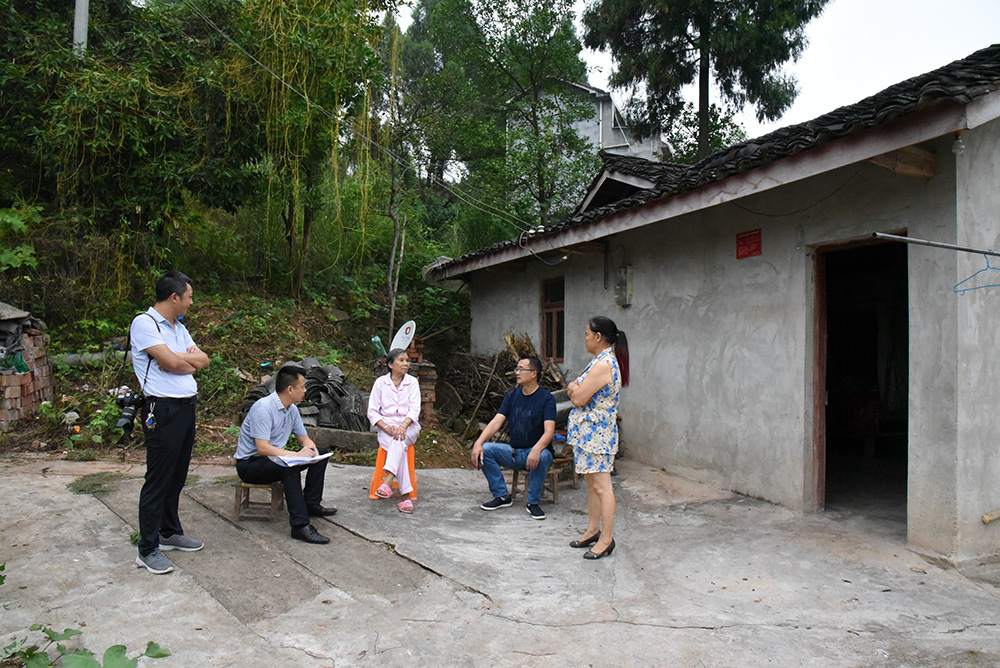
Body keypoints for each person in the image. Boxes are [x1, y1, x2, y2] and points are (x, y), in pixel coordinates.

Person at [131, 270, 211, 575]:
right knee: (158, 479)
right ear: (174, 297)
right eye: (189, 297)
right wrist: (184, 359)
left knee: (177, 476)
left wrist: (186, 359)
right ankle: (147, 548)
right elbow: (175, 364)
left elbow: (203, 360)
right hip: (161, 411)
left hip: (185, 409)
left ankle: (168, 532)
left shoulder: (179, 328)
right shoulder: (145, 324)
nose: (191, 302)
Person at [235, 365, 337, 544]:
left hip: (275, 459)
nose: (305, 391)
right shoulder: (263, 408)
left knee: (321, 454)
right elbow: (262, 448)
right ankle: (299, 526)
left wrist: (310, 450)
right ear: (290, 389)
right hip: (251, 464)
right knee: (288, 468)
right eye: (303, 387)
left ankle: (311, 505)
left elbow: (304, 438)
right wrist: (297, 455)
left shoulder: (292, 409)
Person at [566, 316, 629, 559]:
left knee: (602, 487)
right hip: (588, 433)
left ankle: (606, 539)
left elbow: (578, 397)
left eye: (586, 334)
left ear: (598, 337)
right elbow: (575, 389)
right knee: (592, 485)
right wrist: (575, 388)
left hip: (597, 435)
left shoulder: (604, 364)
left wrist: (575, 388)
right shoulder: (598, 362)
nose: (585, 339)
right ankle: (593, 530)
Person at [470, 355, 556, 520]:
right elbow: (496, 422)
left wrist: (537, 449)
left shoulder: (546, 398)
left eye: (521, 369)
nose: (517, 373)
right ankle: (502, 495)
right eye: (517, 369)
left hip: (536, 452)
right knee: (485, 449)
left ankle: (533, 503)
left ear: (533, 374)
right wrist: (478, 442)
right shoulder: (512, 396)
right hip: (514, 452)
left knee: (544, 455)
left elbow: (549, 431)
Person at [367, 348, 420, 514]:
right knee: (400, 445)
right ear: (390, 364)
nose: (406, 364)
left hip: (409, 428)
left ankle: (388, 480)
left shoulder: (412, 382)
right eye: (401, 360)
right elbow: (372, 411)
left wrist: (403, 426)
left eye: (407, 361)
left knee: (400, 439)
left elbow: (415, 409)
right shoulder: (381, 383)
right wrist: (386, 427)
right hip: (386, 429)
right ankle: (406, 497)